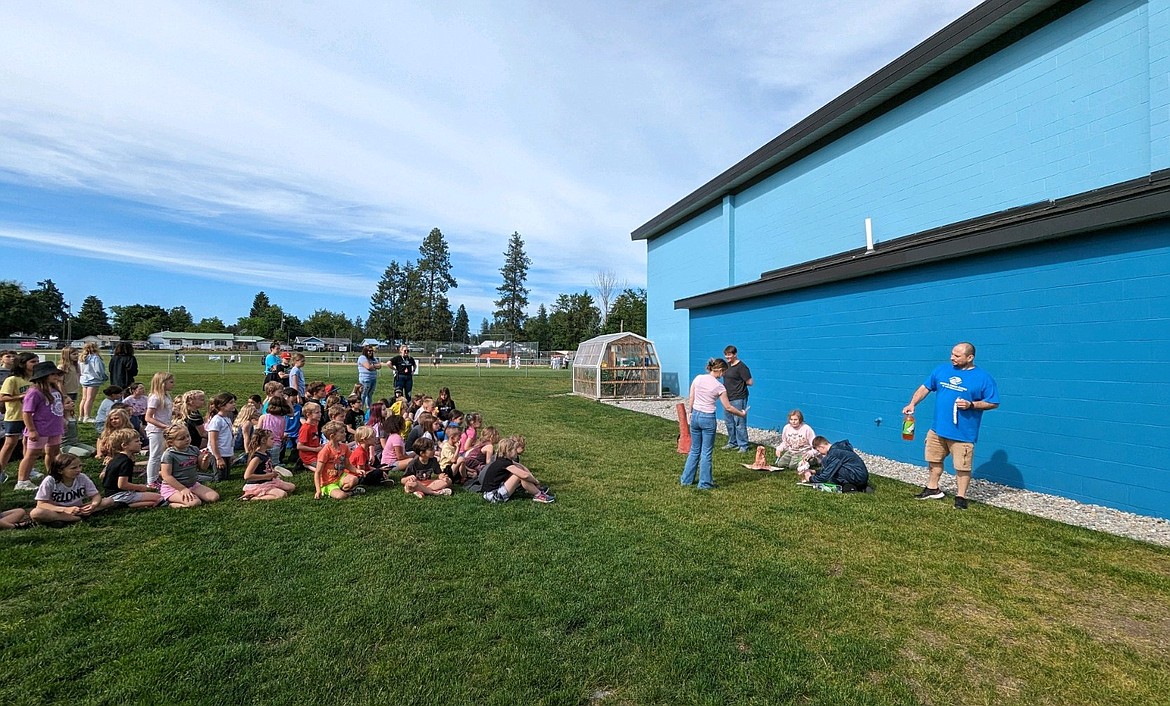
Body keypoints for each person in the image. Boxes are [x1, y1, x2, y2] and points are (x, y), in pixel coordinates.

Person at [902, 342, 1000, 510]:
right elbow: (925, 388)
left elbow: (993, 402)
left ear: (970, 358)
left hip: (963, 434)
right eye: (952, 354)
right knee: (933, 460)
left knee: (962, 467)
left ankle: (960, 497)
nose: (952, 358)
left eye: (957, 356)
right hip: (938, 429)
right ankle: (933, 488)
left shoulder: (983, 378)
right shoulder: (942, 370)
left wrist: (971, 405)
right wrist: (912, 403)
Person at [681, 358, 748, 490]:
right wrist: (742, 413)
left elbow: (692, 397)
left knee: (694, 449)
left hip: (695, 415)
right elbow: (728, 407)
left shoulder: (698, 378)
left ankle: (686, 480)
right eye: (723, 372)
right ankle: (705, 484)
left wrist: (690, 412)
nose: (723, 375)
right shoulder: (719, 387)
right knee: (706, 452)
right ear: (719, 370)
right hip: (708, 418)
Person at [18, 361, 70, 491]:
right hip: (40, 428)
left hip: (54, 427)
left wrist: (63, 420)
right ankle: (22, 480)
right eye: (52, 374)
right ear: (43, 375)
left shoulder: (55, 389)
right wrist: (31, 430)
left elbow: (57, 408)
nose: (55, 376)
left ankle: (53, 475)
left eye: (56, 373)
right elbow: (27, 413)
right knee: (32, 454)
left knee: (53, 452)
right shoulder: (35, 392)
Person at [31, 453, 113, 525]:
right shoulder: (50, 481)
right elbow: (41, 504)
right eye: (73, 468)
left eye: (80, 466)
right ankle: (72, 518)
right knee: (36, 513)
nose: (78, 470)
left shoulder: (82, 477)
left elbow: (96, 495)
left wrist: (92, 506)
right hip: (57, 510)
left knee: (109, 501)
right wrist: (65, 509)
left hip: (79, 508)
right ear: (60, 471)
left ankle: (64, 519)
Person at [159, 423, 220, 508]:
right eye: (182, 438)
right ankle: (171, 504)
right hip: (173, 488)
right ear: (171, 442)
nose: (187, 439)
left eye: (188, 436)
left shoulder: (193, 449)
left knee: (214, 497)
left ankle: (192, 494)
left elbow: (203, 468)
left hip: (192, 484)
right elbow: (166, 475)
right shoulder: (169, 454)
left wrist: (204, 460)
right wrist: (182, 489)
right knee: (195, 503)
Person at [480, 435, 554, 503]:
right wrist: (536, 481)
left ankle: (536, 490)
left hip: (488, 493)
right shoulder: (505, 463)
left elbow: (521, 467)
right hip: (493, 496)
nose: (516, 452)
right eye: (515, 450)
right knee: (519, 476)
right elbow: (525, 475)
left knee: (519, 472)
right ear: (509, 451)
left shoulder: (502, 460)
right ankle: (539, 495)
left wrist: (534, 482)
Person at [99, 429, 162, 509]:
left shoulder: (115, 459)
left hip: (109, 494)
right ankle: (123, 505)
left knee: (153, 501)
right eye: (137, 441)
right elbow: (122, 484)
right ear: (124, 445)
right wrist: (141, 487)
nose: (140, 443)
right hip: (121, 494)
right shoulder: (126, 461)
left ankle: (122, 504)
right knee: (160, 498)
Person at [1, 352, 38, 484]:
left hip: (31, 417)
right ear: (23, 364)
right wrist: (20, 396)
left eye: (37, 361)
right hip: (15, 416)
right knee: (10, 443)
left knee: (28, 443)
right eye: (33, 362)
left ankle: (29, 468)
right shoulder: (12, 379)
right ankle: (1, 471)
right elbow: (2, 397)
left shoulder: (34, 379)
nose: (36, 364)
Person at [241, 428, 296, 500]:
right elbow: (247, 476)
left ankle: (271, 490)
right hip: (258, 484)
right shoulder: (257, 458)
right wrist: (267, 476)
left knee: (292, 487)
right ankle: (253, 497)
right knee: (282, 495)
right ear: (264, 441)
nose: (274, 441)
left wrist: (273, 473)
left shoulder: (266, 453)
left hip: (268, 481)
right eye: (272, 439)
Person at [314, 421, 364, 499]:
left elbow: (348, 465)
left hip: (340, 477)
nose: (345, 433)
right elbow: (318, 472)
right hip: (328, 482)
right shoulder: (325, 451)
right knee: (341, 496)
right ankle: (348, 493)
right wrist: (318, 490)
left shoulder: (344, 447)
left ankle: (343, 489)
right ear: (332, 436)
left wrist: (357, 471)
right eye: (342, 432)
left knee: (354, 479)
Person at [799, 437, 870, 491]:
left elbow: (826, 476)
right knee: (832, 468)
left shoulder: (834, 454)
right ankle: (861, 486)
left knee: (832, 473)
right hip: (859, 475)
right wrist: (815, 471)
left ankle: (851, 488)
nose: (820, 453)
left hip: (857, 477)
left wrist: (810, 478)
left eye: (818, 450)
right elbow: (830, 468)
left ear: (821, 447)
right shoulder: (838, 448)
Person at [720, 345, 753, 453]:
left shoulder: (742, 367)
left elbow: (750, 382)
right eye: (726, 355)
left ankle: (743, 445)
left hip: (739, 398)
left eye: (729, 355)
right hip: (727, 398)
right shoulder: (727, 366)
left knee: (739, 422)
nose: (727, 357)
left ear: (735, 354)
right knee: (729, 421)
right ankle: (732, 442)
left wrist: (738, 385)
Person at [205, 393, 237, 481]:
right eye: (231, 402)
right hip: (219, 453)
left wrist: (231, 453)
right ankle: (197, 477)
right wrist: (218, 458)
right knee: (219, 478)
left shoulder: (227, 418)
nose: (234, 404)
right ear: (221, 406)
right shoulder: (216, 420)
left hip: (226, 452)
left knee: (226, 477)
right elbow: (213, 441)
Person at [78, 342, 108, 422]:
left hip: (84, 379)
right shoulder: (95, 358)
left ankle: (81, 416)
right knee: (90, 399)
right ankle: (87, 416)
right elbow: (98, 370)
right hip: (93, 379)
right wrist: (103, 377)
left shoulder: (82, 358)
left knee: (84, 398)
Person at [356, 344, 382, 410]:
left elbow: (379, 366)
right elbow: (368, 367)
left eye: (371, 351)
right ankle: (360, 409)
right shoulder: (362, 358)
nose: (370, 352)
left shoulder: (373, 358)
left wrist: (373, 365)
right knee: (363, 394)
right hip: (365, 379)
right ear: (365, 351)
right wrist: (374, 366)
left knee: (370, 394)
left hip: (373, 378)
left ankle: (369, 409)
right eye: (369, 351)